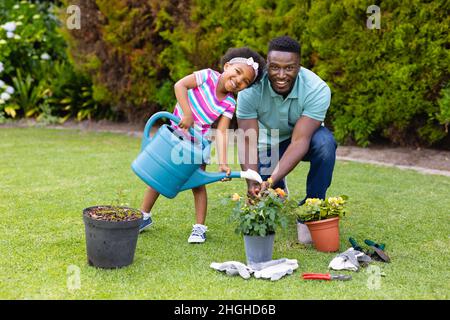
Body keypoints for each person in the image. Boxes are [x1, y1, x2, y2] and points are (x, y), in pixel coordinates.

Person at [139, 47, 266, 243]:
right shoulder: (206, 76)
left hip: (198, 147)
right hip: (174, 138)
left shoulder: (229, 104)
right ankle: (144, 217)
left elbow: (222, 133)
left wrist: (223, 162)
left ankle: (199, 228)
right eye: (238, 72)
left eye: (244, 82)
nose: (238, 81)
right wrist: (187, 114)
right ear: (227, 66)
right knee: (159, 177)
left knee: (198, 185)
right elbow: (180, 85)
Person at [236, 36, 337, 205]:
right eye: (275, 67)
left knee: (325, 145)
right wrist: (252, 180)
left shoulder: (317, 89)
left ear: (299, 66)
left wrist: (271, 179)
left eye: (289, 68)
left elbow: (299, 141)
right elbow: (247, 140)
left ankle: (313, 203)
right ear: (267, 64)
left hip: (306, 140)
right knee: (269, 200)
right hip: (269, 144)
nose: (281, 75)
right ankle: (278, 186)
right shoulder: (250, 89)